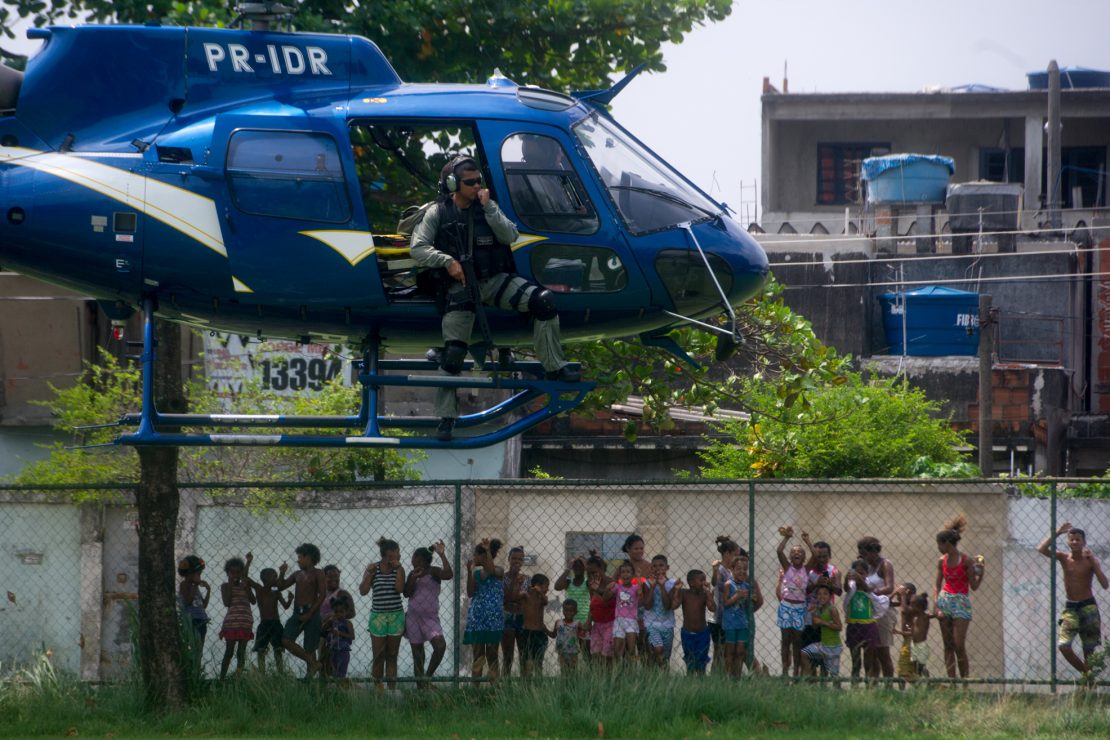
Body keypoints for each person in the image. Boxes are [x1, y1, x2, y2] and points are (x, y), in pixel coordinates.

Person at [409, 154, 579, 441]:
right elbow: (418, 248)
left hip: (495, 281)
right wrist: (446, 261)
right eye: (470, 182)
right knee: (452, 355)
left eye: (479, 181)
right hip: (461, 288)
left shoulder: (488, 207)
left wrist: (489, 208)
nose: (477, 186)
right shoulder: (438, 213)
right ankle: (447, 418)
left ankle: (554, 366)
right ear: (453, 184)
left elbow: (510, 235)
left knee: (544, 302)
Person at [1038, 521, 1109, 678]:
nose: (1075, 542)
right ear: (1068, 542)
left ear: (1084, 542)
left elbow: (1105, 585)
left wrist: (1094, 564)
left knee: (1089, 649)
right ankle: (1087, 674)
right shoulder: (1064, 558)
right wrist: (1057, 532)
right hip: (1071, 608)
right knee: (1064, 646)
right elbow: (1041, 549)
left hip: (1088, 606)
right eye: (1072, 539)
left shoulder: (1090, 560)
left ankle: (1088, 687)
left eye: (1078, 539)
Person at [933, 514, 983, 680]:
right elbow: (937, 584)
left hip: (961, 601)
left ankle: (965, 682)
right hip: (945, 599)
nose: (938, 548)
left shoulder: (966, 561)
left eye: (939, 544)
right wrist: (936, 604)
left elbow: (973, 586)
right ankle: (952, 682)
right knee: (947, 644)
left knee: (958, 644)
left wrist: (981, 573)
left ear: (946, 544)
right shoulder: (942, 561)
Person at [403, 541, 454, 687]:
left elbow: (449, 574)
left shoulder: (434, 572)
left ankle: (427, 677)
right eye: (413, 560)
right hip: (413, 618)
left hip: (430, 619)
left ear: (425, 561)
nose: (413, 562)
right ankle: (421, 689)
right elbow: (407, 593)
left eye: (416, 560)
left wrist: (442, 555)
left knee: (440, 645)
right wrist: (413, 578)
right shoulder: (412, 574)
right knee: (418, 656)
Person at [359, 537, 406, 690]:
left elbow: (400, 589)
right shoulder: (373, 568)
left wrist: (399, 569)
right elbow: (363, 591)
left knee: (392, 656)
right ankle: (378, 691)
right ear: (389, 553)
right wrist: (370, 574)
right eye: (397, 551)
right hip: (378, 617)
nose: (399, 554)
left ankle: (392, 691)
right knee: (378, 656)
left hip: (396, 616)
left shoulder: (399, 569)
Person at [277, 543, 327, 677]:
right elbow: (280, 586)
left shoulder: (318, 573)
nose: (298, 560)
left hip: (312, 612)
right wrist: (281, 572)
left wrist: (310, 613)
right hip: (297, 613)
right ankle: (313, 662)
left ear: (309, 557)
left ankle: (309, 679)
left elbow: (322, 594)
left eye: (300, 557)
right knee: (286, 640)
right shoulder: (297, 574)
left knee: (310, 647)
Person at [464, 538, 506, 679]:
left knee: (492, 655)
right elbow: (470, 593)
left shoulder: (499, 571)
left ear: (483, 556)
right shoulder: (476, 574)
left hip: (493, 620)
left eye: (476, 554)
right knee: (478, 656)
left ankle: (495, 691)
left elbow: (490, 570)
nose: (474, 557)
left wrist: (487, 550)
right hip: (477, 619)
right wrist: (469, 573)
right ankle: (474, 691)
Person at [856, 535, 896, 678]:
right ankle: (874, 685)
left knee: (882, 652)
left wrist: (871, 591)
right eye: (861, 555)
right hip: (868, 612)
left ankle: (889, 685)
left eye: (865, 554)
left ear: (874, 552)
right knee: (870, 652)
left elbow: (889, 587)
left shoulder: (885, 564)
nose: (863, 557)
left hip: (883, 612)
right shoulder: (866, 567)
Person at [801, 533, 841, 658]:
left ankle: (824, 676)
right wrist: (816, 584)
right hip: (809, 617)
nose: (821, 559)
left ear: (829, 556)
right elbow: (802, 592)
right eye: (818, 556)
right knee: (807, 652)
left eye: (825, 556)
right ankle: (809, 676)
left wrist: (830, 585)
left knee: (825, 655)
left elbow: (839, 591)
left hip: (826, 617)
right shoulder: (807, 571)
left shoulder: (833, 571)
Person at [775, 525, 808, 676]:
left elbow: (814, 555)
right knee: (785, 639)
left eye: (799, 552)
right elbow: (779, 551)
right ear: (790, 557)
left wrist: (807, 541)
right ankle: (784, 671)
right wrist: (787, 537)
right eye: (793, 552)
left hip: (800, 608)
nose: (796, 553)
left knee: (797, 641)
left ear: (803, 557)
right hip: (786, 606)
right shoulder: (787, 568)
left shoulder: (806, 570)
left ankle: (796, 671)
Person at [217, 554, 256, 679]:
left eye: (238, 572)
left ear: (241, 573)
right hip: (231, 624)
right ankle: (222, 678)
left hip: (245, 622)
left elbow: (253, 600)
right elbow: (227, 602)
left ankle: (238, 678)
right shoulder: (225, 586)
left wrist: (247, 588)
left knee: (241, 652)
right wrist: (230, 584)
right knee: (229, 651)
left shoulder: (245, 585)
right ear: (227, 573)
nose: (235, 575)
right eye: (232, 572)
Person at [844, 558, 881, 681]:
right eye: (857, 573)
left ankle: (869, 687)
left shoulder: (870, 585)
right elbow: (846, 589)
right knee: (856, 661)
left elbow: (868, 589)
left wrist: (859, 578)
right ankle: (855, 686)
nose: (859, 575)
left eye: (862, 573)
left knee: (868, 661)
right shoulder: (851, 587)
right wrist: (846, 578)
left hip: (868, 627)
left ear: (867, 573)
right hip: (854, 626)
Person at [709, 536, 742, 672]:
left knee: (728, 651)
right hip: (719, 617)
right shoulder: (720, 569)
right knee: (719, 651)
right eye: (735, 555)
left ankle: (723, 676)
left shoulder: (731, 571)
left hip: (730, 617)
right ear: (727, 554)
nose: (737, 558)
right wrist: (714, 571)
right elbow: (714, 582)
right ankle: (715, 676)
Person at [675, 569, 716, 675]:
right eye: (701, 580)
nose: (704, 582)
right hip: (687, 633)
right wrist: (676, 590)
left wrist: (708, 593)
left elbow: (712, 608)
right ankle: (690, 680)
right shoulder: (684, 593)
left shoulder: (704, 594)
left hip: (702, 633)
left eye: (705, 580)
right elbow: (674, 605)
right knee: (690, 660)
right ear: (691, 583)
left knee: (702, 660)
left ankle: (701, 680)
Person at [251, 566, 292, 673]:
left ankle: (281, 673)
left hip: (276, 624)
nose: (277, 579)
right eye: (274, 577)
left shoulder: (276, 593)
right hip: (264, 623)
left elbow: (286, 606)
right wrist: (249, 561)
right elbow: (246, 578)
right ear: (266, 578)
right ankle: (262, 674)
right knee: (261, 650)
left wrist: (290, 599)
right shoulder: (259, 590)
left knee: (278, 649)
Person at [641, 554, 678, 669]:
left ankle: (661, 679)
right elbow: (647, 605)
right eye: (655, 566)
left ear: (667, 567)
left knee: (664, 658)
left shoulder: (672, 583)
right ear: (651, 568)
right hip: (651, 624)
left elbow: (667, 606)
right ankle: (651, 673)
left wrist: (662, 587)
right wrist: (653, 587)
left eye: (661, 565)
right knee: (658, 648)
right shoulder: (646, 584)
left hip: (667, 625)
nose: (658, 568)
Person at [800, 582, 843, 680]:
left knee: (834, 676)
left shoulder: (832, 609)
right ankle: (809, 679)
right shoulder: (819, 610)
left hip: (833, 646)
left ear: (830, 596)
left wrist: (823, 622)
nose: (821, 596)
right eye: (819, 594)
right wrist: (813, 614)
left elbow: (839, 627)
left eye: (825, 594)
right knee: (804, 653)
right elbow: (815, 626)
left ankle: (835, 690)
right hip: (823, 645)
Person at [318, 564, 355, 678]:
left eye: (336, 576)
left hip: (336, 632)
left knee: (336, 662)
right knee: (322, 659)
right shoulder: (320, 593)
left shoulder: (342, 594)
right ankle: (324, 686)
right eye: (330, 577)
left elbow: (352, 612)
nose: (334, 579)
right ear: (323, 577)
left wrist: (336, 616)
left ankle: (337, 685)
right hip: (322, 630)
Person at [721, 556, 755, 677]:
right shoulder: (728, 585)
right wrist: (736, 597)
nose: (742, 571)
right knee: (730, 651)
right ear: (732, 569)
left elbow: (747, 605)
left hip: (742, 622)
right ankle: (728, 677)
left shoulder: (747, 586)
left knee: (740, 651)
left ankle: (737, 677)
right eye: (739, 568)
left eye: (745, 569)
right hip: (730, 623)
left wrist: (750, 600)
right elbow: (725, 603)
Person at [554, 555, 590, 657]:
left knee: (586, 652)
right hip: (570, 622)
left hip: (584, 621)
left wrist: (587, 568)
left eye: (581, 565)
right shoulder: (569, 581)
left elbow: (593, 584)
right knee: (569, 653)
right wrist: (568, 568)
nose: (578, 567)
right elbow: (557, 587)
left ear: (585, 567)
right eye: (575, 565)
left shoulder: (587, 582)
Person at [177, 555, 210, 669]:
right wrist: (195, 585)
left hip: (202, 620)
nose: (199, 576)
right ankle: (191, 669)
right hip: (192, 621)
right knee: (194, 647)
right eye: (198, 574)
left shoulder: (195, 587)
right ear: (190, 573)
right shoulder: (184, 585)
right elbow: (189, 601)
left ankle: (196, 670)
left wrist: (208, 590)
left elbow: (203, 605)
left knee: (199, 649)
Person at [501, 546, 528, 677]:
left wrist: (518, 598)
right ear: (509, 559)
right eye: (514, 558)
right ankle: (505, 685)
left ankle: (525, 687)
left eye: (520, 559)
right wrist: (515, 581)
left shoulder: (527, 579)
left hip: (522, 617)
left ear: (523, 561)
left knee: (524, 655)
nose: (517, 561)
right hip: (507, 617)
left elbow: (527, 600)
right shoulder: (503, 578)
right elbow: (506, 598)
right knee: (508, 656)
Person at [585, 550, 616, 664]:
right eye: (588, 573)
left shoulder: (611, 583)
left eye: (594, 572)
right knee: (596, 654)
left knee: (608, 655)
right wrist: (589, 620)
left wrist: (597, 589)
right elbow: (593, 604)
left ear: (602, 570)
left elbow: (608, 599)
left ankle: (610, 679)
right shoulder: (591, 584)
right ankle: (599, 679)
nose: (591, 576)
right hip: (597, 624)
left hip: (610, 624)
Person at [611, 560, 644, 662]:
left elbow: (640, 592)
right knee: (616, 650)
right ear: (620, 575)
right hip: (619, 621)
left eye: (628, 572)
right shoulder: (617, 587)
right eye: (623, 572)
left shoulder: (635, 588)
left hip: (631, 621)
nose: (625, 574)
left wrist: (638, 577)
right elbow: (608, 594)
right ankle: (617, 671)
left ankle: (631, 671)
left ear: (632, 574)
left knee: (631, 649)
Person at [519, 573, 551, 677]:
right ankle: (526, 684)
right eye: (546, 586)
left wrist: (540, 593)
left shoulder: (542, 598)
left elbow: (545, 602)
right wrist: (521, 584)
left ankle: (538, 683)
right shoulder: (526, 595)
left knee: (538, 661)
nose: (547, 589)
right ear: (538, 585)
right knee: (527, 661)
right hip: (527, 632)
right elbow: (517, 595)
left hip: (539, 633)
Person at [328, 596, 356, 683]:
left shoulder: (347, 623)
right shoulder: (333, 622)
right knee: (333, 672)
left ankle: (341, 688)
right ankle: (337, 689)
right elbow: (323, 629)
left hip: (343, 651)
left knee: (341, 674)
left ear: (346, 612)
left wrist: (340, 634)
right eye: (336, 612)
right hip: (332, 650)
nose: (339, 614)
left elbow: (352, 636)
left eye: (341, 612)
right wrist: (329, 621)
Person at [553, 598, 584, 674]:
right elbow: (553, 635)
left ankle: (573, 685)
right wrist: (544, 629)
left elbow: (584, 632)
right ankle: (565, 685)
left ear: (576, 612)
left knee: (573, 670)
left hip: (573, 652)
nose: (568, 613)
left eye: (571, 611)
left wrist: (590, 618)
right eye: (566, 610)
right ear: (563, 611)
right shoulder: (558, 622)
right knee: (563, 670)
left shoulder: (577, 623)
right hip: (562, 651)